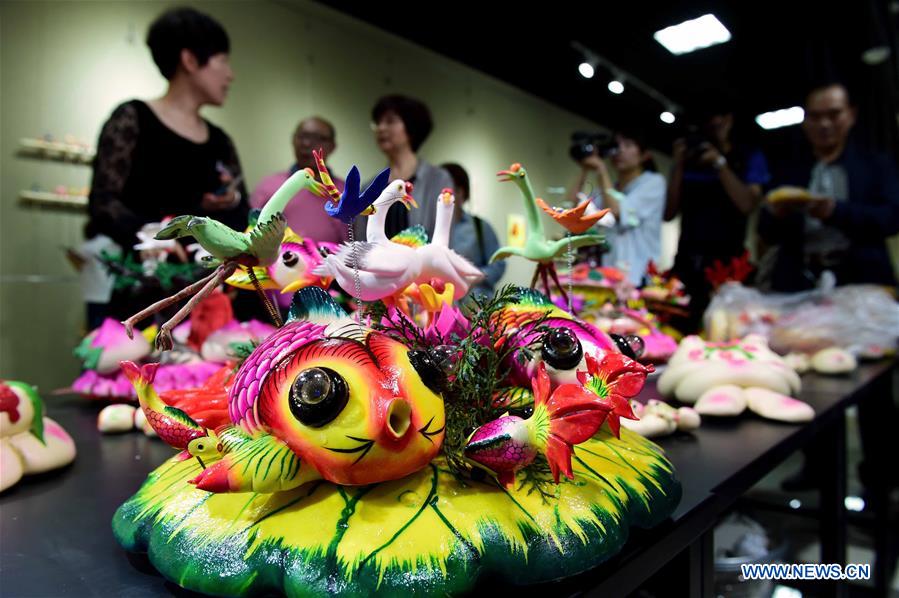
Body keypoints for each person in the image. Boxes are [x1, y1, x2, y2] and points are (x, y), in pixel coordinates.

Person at [87, 7, 248, 318]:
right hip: (147, 288)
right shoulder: (132, 119)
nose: (231, 74)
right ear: (189, 60)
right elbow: (103, 202)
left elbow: (241, 212)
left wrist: (231, 204)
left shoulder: (220, 140)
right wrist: (152, 232)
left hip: (213, 293)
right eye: (223, 61)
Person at [758, 82, 899, 291]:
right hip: (800, 282)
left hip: (862, 280)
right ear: (805, 121)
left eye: (833, 114)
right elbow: (766, 231)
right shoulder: (789, 171)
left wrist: (836, 211)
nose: (824, 124)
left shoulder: (875, 165)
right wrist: (777, 214)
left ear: (851, 115)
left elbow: (891, 218)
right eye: (815, 116)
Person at [665, 104, 770, 331]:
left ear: (730, 119)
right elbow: (669, 213)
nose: (714, 125)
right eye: (708, 121)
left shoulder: (748, 156)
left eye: (719, 118)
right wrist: (679, 165)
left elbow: (747, 205)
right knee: (676, 329)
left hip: (727, 265)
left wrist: (720, 163)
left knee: (725, 330)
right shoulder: (691, 160)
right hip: (688, 262)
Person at [569, 130, 666, 286]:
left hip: (637, 278)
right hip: (607, 276)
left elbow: (616, 212)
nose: (620, 150)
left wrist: (601, 170)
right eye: (617, 146)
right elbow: (571, 212)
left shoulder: (653, 183)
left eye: (628, 145)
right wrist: (584, 168)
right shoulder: (609, 188)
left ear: (645, 155)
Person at [364, 94, 453, 240]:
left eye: (390, 121)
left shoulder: (438, 179)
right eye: (377, 122)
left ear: (411, 127)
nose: (380, 128)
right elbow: (362, 242)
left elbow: (444, 237)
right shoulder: (369, 187)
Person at [250, 117, 347, 244]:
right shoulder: (268, 187)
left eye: (318, 138)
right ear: (293, 140)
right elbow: (250, 236)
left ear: (332, 146)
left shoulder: (345, 192)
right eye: (302, 136)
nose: (306, 143)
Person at [440, 163, 506, 297]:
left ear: (460, 192)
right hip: (438, 307)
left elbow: (499, 264)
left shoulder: (480, 227)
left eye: (446, 190)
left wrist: (476, 276)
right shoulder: (429, 227)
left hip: (476, 306)